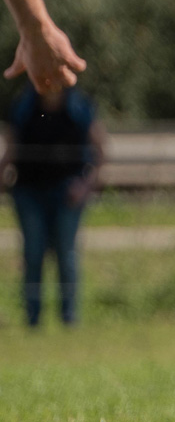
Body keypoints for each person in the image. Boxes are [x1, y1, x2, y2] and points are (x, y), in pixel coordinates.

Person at [4, 82, 103, 327]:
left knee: (66, 254)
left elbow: (101, 151)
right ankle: (32, 319)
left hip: (67, 193)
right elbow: (11, 150)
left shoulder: (80, 106)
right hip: (29, 192)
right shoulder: (24, 105)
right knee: (33, 253)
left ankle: (69, 319)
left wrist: (84, 186)